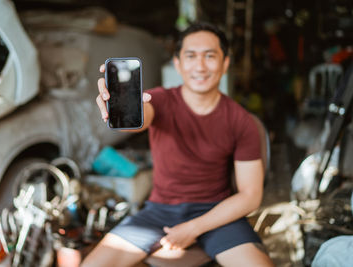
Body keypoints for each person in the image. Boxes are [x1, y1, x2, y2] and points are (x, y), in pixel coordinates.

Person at [81, 22, 274, 267]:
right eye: (191, 56)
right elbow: (141, 116)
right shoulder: (160, 100)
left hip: (217, 215)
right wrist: (117, 106)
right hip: (158, 212)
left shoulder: (241, 121)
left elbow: (250, 196)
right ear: (178, 64)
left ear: (225, 63)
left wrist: (193, 228)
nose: (200, 66)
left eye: (210, 56)